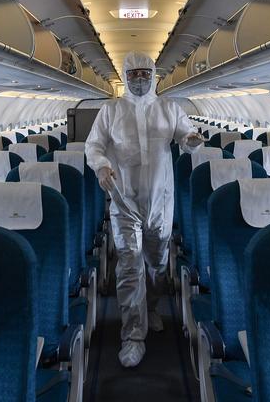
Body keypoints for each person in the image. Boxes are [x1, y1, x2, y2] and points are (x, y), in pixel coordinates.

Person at [85, 51, 204, 367]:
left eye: (144, 73)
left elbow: (185, 134)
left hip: (160, 201)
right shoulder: (110, 110)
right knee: (129, 264)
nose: (139, 78)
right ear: (125, 76)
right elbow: (94, 146)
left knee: (156, 261)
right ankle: (132, 336)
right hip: (124, 199)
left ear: (153, 75)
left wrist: (191, 139)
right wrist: (101, 166)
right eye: (134, 73)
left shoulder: (169, 108)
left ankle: (150, 307)